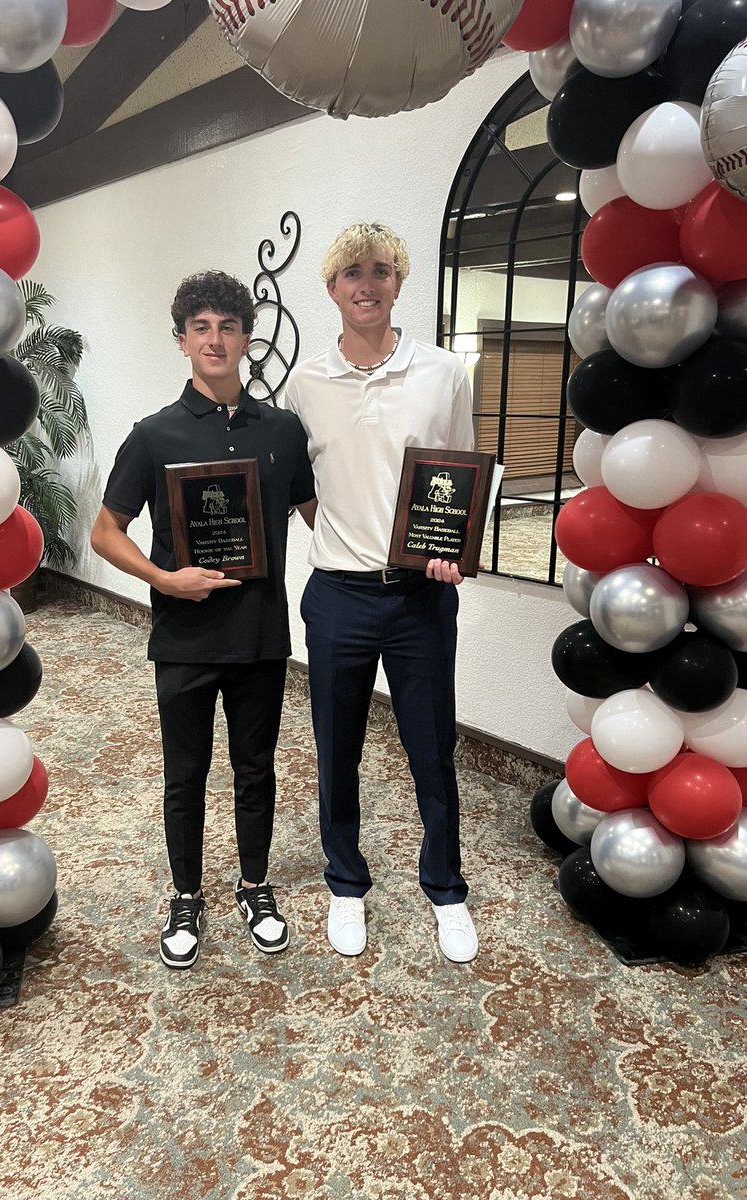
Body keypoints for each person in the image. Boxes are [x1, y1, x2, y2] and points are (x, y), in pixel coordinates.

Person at [91, 270, 316, 969]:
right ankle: (186, 894)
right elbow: (105, 531)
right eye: (202, 328)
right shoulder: (152, 436)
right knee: (184, 775)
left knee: (256, 769)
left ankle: (254, 885)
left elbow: (321, 516)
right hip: (184, 638)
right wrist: (163, 578)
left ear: (247, 338)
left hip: (259, 636)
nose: (215, 339)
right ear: (183, 341)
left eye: (228, 326)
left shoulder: (281, 430)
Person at [282, 222, 478, 964]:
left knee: (432, 746)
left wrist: (447, 551)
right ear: (331, 288)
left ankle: (446, 889)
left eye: (382, 270)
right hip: (337, 594)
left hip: (421, 600)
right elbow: (306, 489)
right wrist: (341, 534)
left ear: (400, 282)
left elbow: (458, 471)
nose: (367, 284)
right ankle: (346, 882)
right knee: (337, 748)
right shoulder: (306, 383)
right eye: (352, 273)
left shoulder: (442, 374)